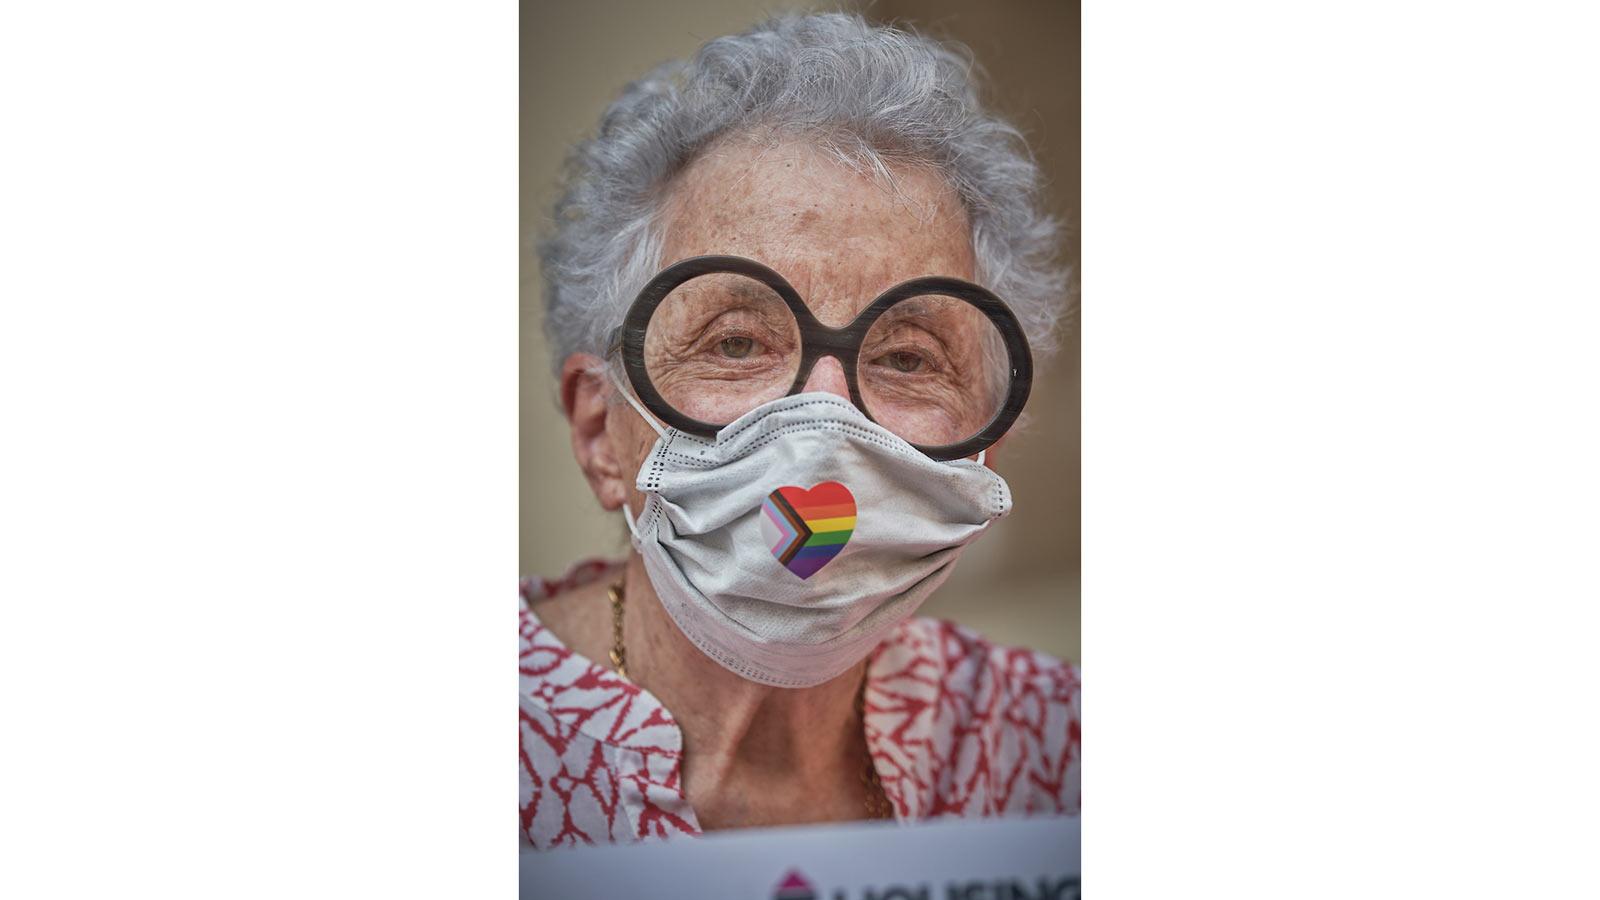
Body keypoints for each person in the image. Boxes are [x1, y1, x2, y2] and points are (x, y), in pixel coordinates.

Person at [521, 12, 1079, 848]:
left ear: (981, 445)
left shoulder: (1061, 753)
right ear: (602, 433)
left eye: (906, 357)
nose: (827, 423)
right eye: (736, 343)